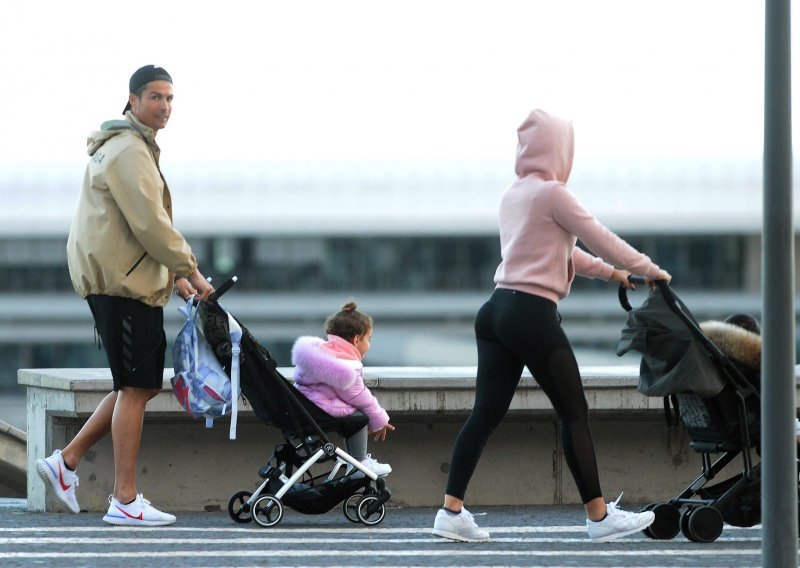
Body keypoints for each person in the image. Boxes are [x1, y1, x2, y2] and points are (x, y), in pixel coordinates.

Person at [431, 109, 672, 543]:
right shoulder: (555, 193)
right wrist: (649, 269)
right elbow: (598, 236)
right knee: (573, 412)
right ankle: (599, 518)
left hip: (496, 311)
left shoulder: (514, 194)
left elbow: (563, 252)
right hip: (530, 314)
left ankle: (451, 512)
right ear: (562, 149)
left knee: (484, 414)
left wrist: (615, 275)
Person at [36, 65, 214, 526]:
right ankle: (125, 499)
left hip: (122, 279)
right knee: (136, 387)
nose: (165, 106)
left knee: (133, 384)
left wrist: (174, 278)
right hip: (123, 285)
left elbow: (130, 225)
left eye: (171, 99)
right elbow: (151, 224)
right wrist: (190, 270)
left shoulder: (125, 148)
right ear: (132, 100)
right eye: (155, 97)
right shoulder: (129, 152)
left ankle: (66, 461)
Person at [291, 302, 395, 476]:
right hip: (318, 411)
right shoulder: (344, 368)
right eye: (368, 339)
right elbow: (360, 396)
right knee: (359, 417)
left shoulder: (319, 355)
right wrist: (379, 419)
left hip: (306, 407)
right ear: (356, 340)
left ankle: (354, 464)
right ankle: (360, 464)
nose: (369, 345)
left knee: (352, 418)